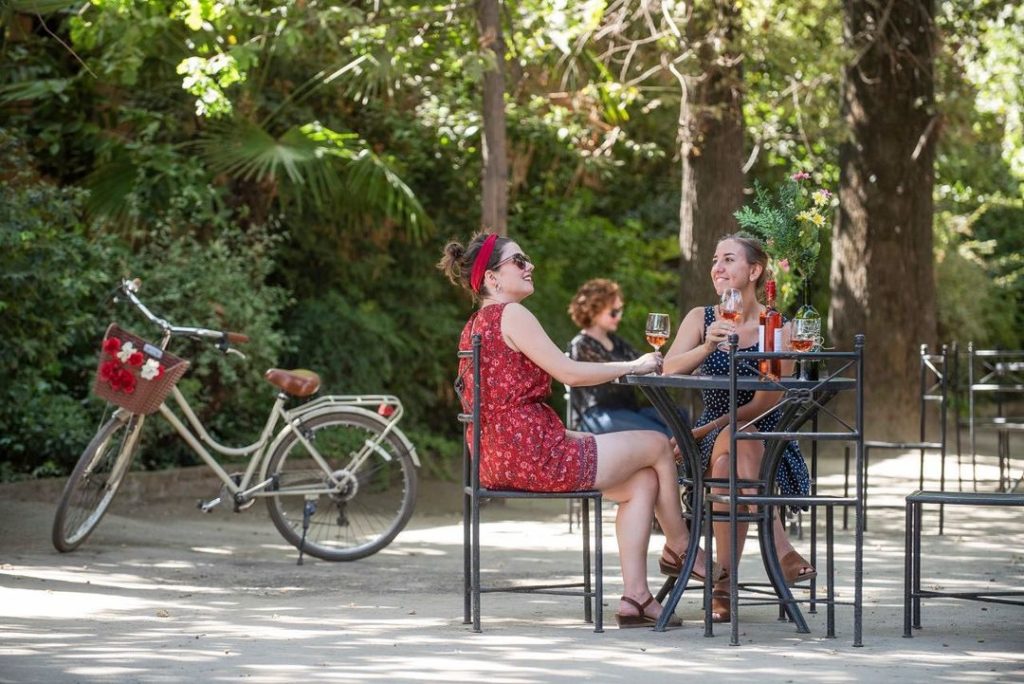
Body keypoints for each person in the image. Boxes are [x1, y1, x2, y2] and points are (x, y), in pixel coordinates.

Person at [439, 232, 714, 629]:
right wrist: (632, 366)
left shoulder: (475, 324)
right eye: (519, 261)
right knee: (656, 444)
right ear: (492, 279)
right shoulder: (511, 314)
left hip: (500, 455)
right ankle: (682, 545)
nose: (529, 265)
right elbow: (568, 372)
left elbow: (503, 410)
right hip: (534, 454)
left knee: (641, 482)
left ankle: (636, 598)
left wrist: (575, 437)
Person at [663, 232, 816, 624]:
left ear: (754, 270)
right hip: (710, 439)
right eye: (716, 260)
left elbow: (768, 402)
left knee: (732, 454)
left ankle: (724, 584)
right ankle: (781, 552)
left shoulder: (776, 326)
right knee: (732, 445)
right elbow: (668, 368)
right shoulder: (702, 318)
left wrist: (696, 434)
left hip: (765, 439)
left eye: (729, 259)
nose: (718, 268)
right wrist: (707, 347)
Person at [566, 278, 672, 437]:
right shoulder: (581, 345)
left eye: (620, 311)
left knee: (677, 419)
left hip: (628, 411)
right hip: (597, 415)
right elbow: (623, 369)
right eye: (613, 312)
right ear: (593, 310)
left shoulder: (617, 341)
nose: (618, 317)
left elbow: (643, 363)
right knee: (658, 433)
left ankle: (681, 461)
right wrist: (633, 366)